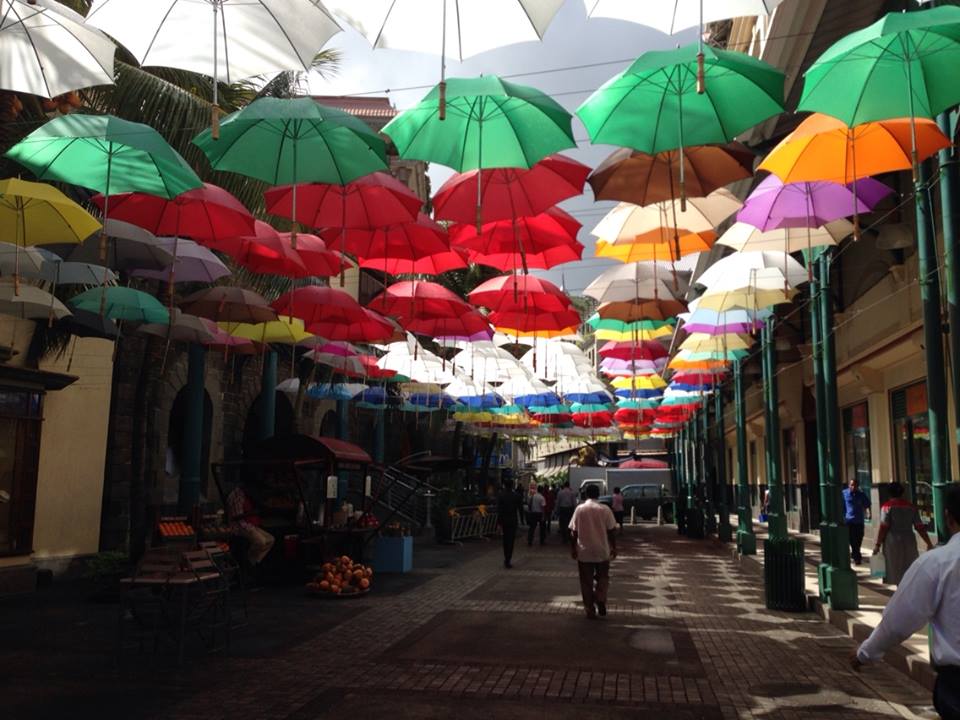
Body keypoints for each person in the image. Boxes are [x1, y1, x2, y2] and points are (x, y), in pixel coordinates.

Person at [851, 484, 960, 720]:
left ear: (949, 517)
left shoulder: (936, 563)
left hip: (955, 684)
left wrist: (865, 653)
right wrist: (927, 541)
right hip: (909, 542)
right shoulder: (911, 508)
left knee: (902, 579)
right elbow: (920, 526)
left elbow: (898, 621)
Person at [569, 484, 618, 619]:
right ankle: (600, 598)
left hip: (584, 551)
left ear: (585, 494)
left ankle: (590, 609)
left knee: (586, 581)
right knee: (603, 577)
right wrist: (614, 546)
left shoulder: (579, 509)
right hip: (602, 550)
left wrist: (573, 548)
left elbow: (573, 532)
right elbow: (612, 530)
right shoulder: (605, 509)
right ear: (598, 495)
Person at [873, 482, 934, 585]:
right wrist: (929, 542)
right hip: (909, 539)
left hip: (892, 540)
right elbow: (919, 526)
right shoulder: (911, 507)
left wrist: (877, 544)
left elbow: (883, 527)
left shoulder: (886, 507)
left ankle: (899, 589)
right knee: (909, 565)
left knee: (895, 566)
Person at [226, 482, 275, 566]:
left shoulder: (245, 494)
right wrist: (251, 514)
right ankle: (249, 561)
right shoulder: (237, 496)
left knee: (270, 539)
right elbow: (237, 518)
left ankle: (254, 560)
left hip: (248, 524)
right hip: (238, 527)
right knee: (261, 542)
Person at [843, 478, 872, 565]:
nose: (853, 487)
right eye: (851, 485)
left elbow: (867, 504)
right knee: (852, 540)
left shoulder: (861, 494)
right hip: (849, 521)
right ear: (849, 485)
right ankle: (857, 557)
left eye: (855, 485)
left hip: (859, 521)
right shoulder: (844, 493)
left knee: (859, 539)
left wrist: (868, 512)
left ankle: (855, 553)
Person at [496, 478, 521, 569]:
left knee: (505, 540)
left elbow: (499, 510)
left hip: (504, 520)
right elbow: (520, 508)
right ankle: (508, 559)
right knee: (511, 540)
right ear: (512, 485)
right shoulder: (516, 496)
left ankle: (506, 557)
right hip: (513, 520)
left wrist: (498, 523)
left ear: (504, 485)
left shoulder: (501, 496)